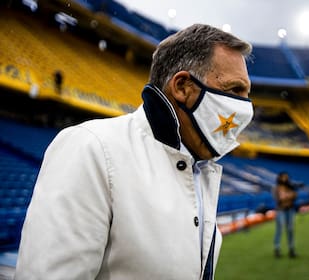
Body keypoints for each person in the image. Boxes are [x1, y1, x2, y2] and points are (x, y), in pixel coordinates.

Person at [15, 24, 254, 279]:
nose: (246, 107)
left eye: (247, 93)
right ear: (183, 86)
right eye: (234, 90)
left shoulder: (201, 168)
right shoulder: (92, 147)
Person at [272, 171, 300, 258]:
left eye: (286, 177)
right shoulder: (276, 188)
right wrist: (289, 195)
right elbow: (281, 198)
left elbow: (295, 196)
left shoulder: (290, 186)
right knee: (279, 230)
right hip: (281, 210)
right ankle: (277, 249)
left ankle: (291, 250)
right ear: (279, 178)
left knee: (290, 230)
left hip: (290, 210)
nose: (285, 179)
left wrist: (288, 196)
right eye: (283, 177)